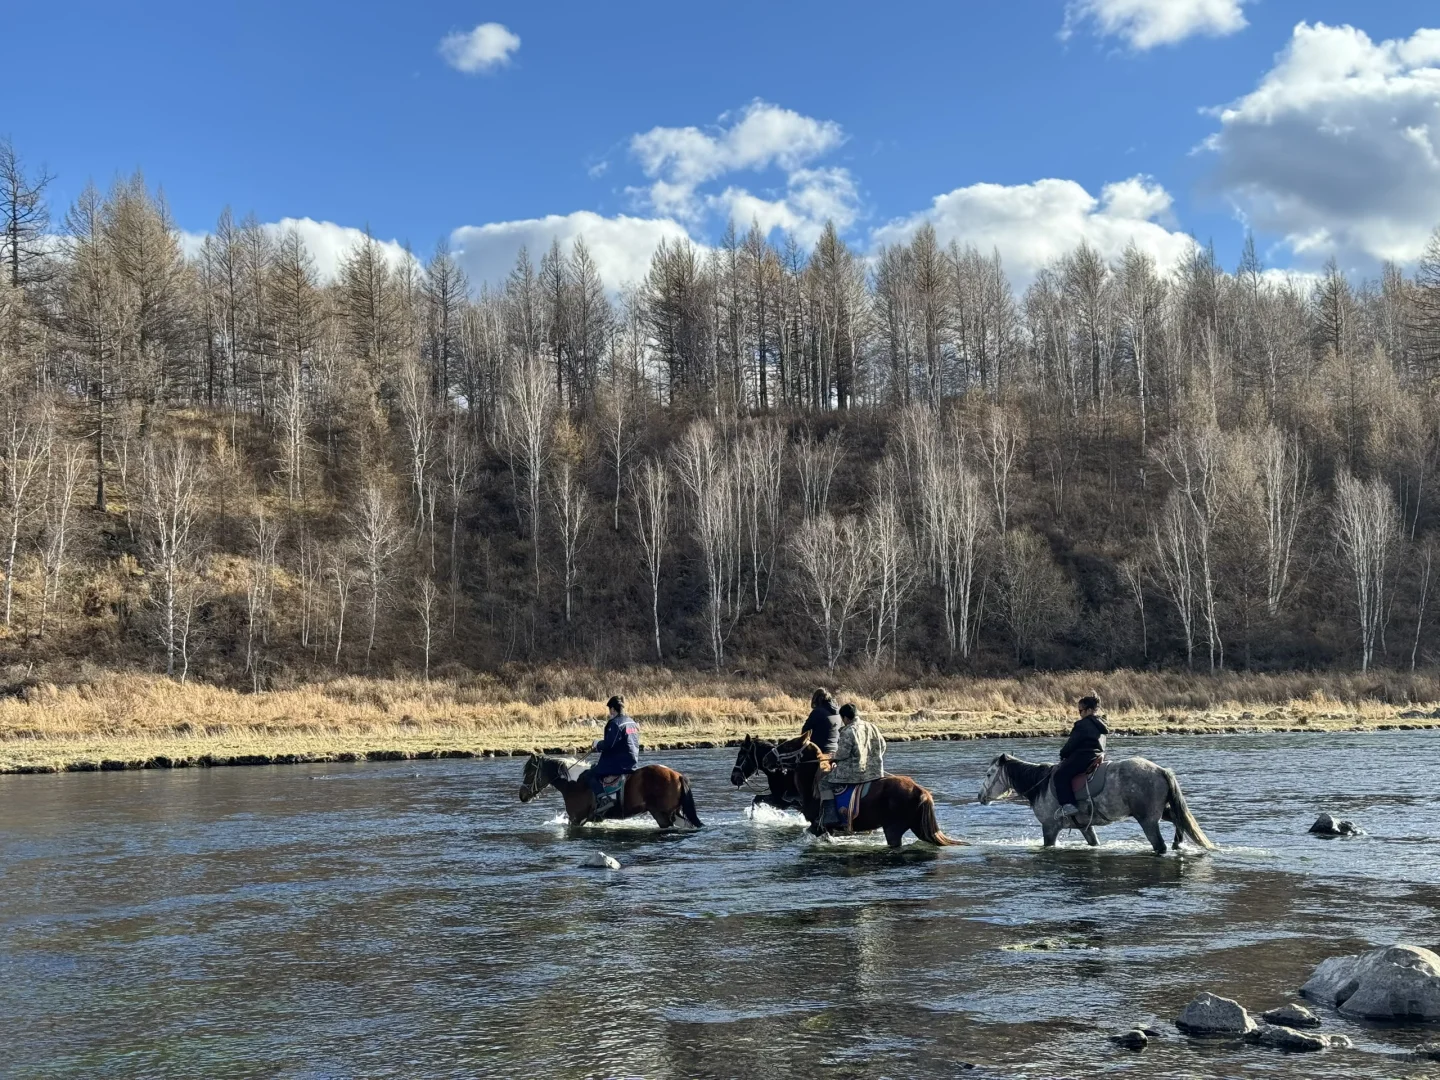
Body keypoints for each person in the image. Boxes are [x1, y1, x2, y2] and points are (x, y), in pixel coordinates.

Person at [819, 703, 886, 831]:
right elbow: (883, 746)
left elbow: (843, 754)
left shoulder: (848, 730)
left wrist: (833, 757)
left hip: (854, 774)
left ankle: (830, 816)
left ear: (845, 718)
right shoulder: (872, 726)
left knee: (824, 783)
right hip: (876, 772)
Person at [1054, 694, 1109, 819]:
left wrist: (1063, 754)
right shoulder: (1102, 723)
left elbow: (1072, 743)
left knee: (1059, 775)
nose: (1079, 713)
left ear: (1089, 710)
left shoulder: (1082, 724)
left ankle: (1068, 805)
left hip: (1084, 756)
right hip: (1098, 756)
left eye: (1081, 711)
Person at [587, 695, 640, 817]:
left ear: (612, 709)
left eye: (609, 710)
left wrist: (597, 744)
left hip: (619, 763)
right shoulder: (631, 722)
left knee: (590, 775)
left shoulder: (616, 724)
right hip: (632, 761)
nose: (609, 713)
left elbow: (610, 744)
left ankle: (604, 801)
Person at [800, 687, 841, 756]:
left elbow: (804, 731)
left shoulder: (817, 712)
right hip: (835, 749)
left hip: (819, 750)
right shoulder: (838, 713)